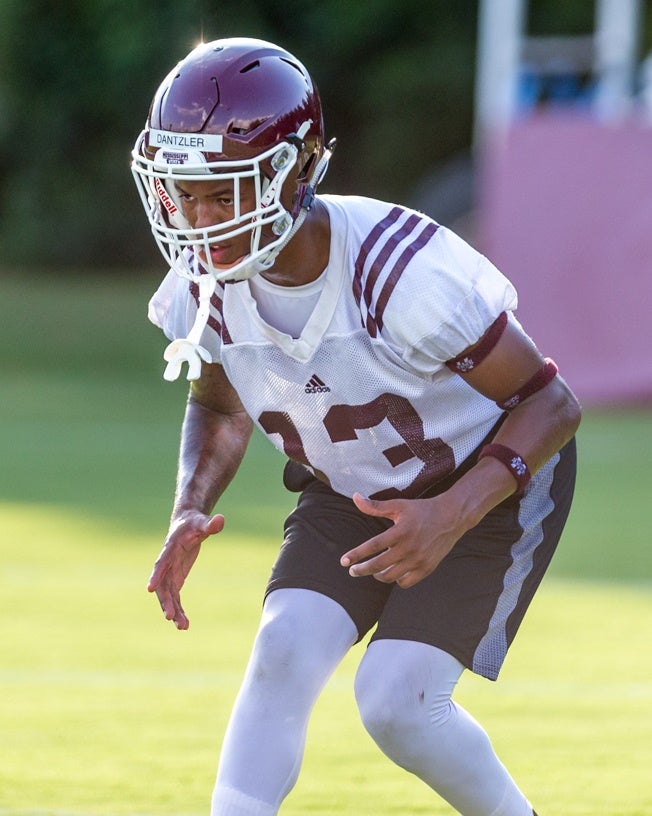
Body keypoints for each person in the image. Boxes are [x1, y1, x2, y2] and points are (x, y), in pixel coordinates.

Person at [131, 37, 581, 816]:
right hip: (355, 483)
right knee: (282, 650)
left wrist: (449, 514)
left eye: (225, 194)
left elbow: (551, 403)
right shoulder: (204, 282)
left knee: (398, 703)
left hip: (490, 477)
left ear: (296, 173)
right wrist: (189, 502)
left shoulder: (396, 271)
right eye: (187, 192)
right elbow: (220, 401)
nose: (201, 220)